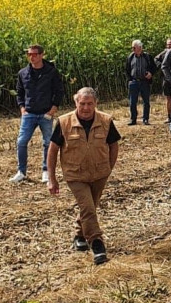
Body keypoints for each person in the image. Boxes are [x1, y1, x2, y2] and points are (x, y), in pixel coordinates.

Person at [45, 88, 120, 265]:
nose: (86, 108)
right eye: (82, 103)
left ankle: (79, 235)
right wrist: (51, 178)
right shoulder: (64, 122)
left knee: (90, 207)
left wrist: (109, 167)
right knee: (87, 207)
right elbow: (53, 150)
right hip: (75, 175)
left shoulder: (106, 121)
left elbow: (113, 145)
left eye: (89, 104)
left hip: (99, 173)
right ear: (75, 102)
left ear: (96, 104)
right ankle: (97, 244)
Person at [14, 44, 63, 184]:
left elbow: (59, 90)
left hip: (45, 113)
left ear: (42, 55)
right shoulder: (23, 73)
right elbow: (20, 92)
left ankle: (46, 171)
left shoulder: (51, 72)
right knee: (21, 142)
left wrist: (53, 108)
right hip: (29, 113)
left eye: (35, 54)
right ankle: (21, 172)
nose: (32, 57)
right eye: (29, 54)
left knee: (48, 143)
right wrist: (22, 108)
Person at [125, 40, 156, 126]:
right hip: (134, 82)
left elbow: (154, 67)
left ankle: (145, 119)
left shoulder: (147, 56)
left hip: (145, 82)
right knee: (132, 102)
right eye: (132, 47)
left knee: (146, 101)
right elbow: (127, 69)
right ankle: (133, 119)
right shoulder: (130, 57)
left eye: (134, 47)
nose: (133, 49)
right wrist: (130, 80)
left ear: (140, 47)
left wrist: (150, 73)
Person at [154, 38, 171, 123]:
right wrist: (161, 66)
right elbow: (155, 60)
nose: (168, 46)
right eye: (167, 44)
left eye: (170, 44)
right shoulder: (163, 53)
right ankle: (169, 117)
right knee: (168, 98)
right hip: (166, 79)